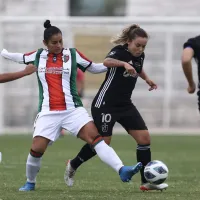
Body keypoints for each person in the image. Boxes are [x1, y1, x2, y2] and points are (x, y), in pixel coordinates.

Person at [1, 20, 143, 191]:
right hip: (48, 112)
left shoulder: (73, 55)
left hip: (73, 110)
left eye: (61, 41)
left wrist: (119, 64)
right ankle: (30, 182)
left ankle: (122, 169)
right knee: (36, 149)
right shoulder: (38, 55)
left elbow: (95, 68)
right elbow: (20, 57)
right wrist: (5, 53)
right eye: (54, 43)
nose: (59, 45)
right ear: (45, 43)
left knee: (96, 139)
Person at [64, 24, 169, 191]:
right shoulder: (119, 52)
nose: (140, 49)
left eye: (143, 46)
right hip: (105, 104)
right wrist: (123, 64)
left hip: (125, 104)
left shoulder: (140, 56)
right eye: (137, 45)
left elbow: (138, 68)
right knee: (103, 143)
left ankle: (146, 182)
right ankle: (73, 164)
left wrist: (147, 79)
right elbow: (106, 61)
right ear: (128, 42)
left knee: (144, 139)